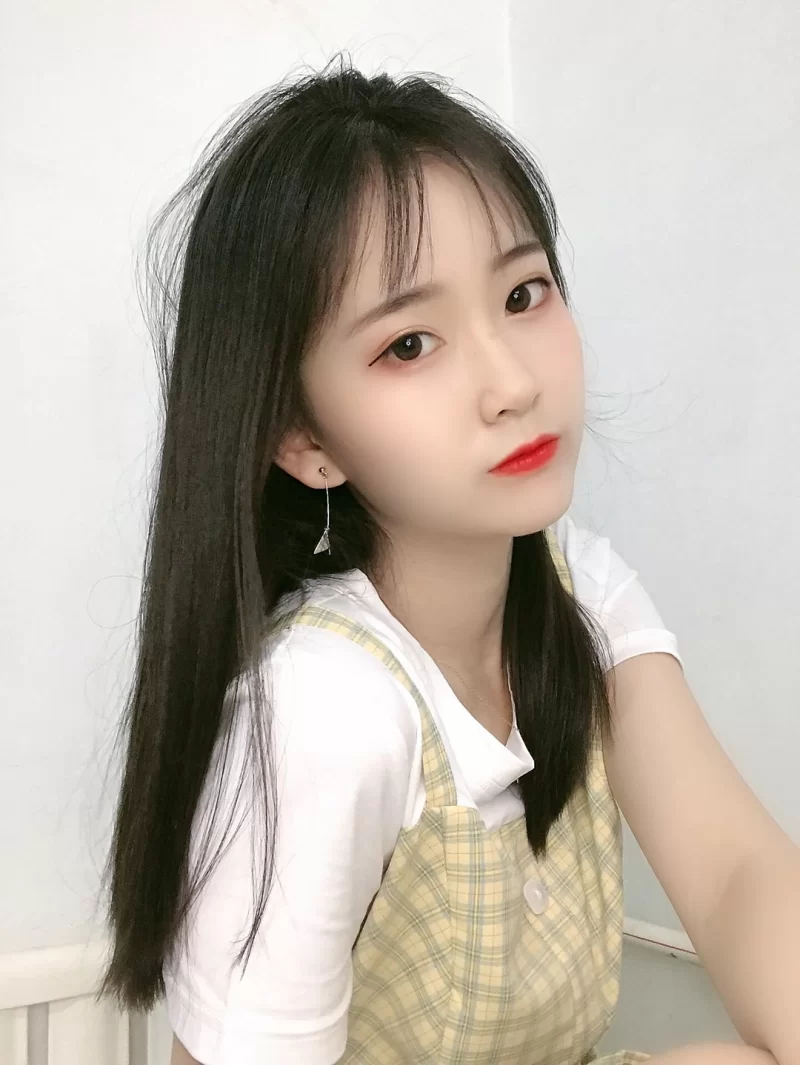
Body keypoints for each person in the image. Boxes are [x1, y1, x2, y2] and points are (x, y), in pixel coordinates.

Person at [97, 54, 800, 1065]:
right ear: (305, 439)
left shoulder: (581, 595)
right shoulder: (325, 707)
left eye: (522, 294)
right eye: (409, 345)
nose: (512, 383)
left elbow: (736, 871)